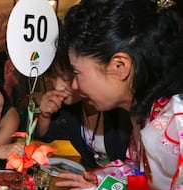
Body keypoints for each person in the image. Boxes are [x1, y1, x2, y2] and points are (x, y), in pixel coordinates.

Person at [56, 0, 183, 190]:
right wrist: (101, 182)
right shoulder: (145, 113)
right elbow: (138, 173)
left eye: (77, 73)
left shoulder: (178, 125)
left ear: (119, 66)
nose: (76, 86)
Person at [36, 31, 132, 169]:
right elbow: (46, 136)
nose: (57, 86)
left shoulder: (120, 107)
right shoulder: (70, 109)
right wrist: (45, 114)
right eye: (52, 79)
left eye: (66, 79)